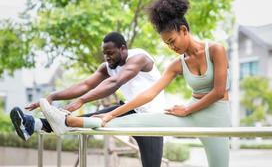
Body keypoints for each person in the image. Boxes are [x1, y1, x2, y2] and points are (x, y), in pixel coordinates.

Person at [40, 0, 231, 167]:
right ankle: (68, 122)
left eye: (172, 41)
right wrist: (113, 113)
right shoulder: (177, 64)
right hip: (190, 115)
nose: (171, 47)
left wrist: (187, 109)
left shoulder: (215, 50)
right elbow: (149, 94)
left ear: (184, 30)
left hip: (214, 117)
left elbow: (218, 91)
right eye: (166, 44)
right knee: (139, 120)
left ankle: (72, 121)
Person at [10, 32, 165, 167]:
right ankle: (32, 124)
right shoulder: (107, 66)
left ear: (123, 48)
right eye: (104, 53)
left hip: (150, 118)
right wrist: (51, 96)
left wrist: (81, 101)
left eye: (110, 53)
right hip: (129, 109)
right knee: (82, 119)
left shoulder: (139, 58)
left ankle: (39, 123)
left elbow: (115, 82)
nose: (107, 57)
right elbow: (85, 85)